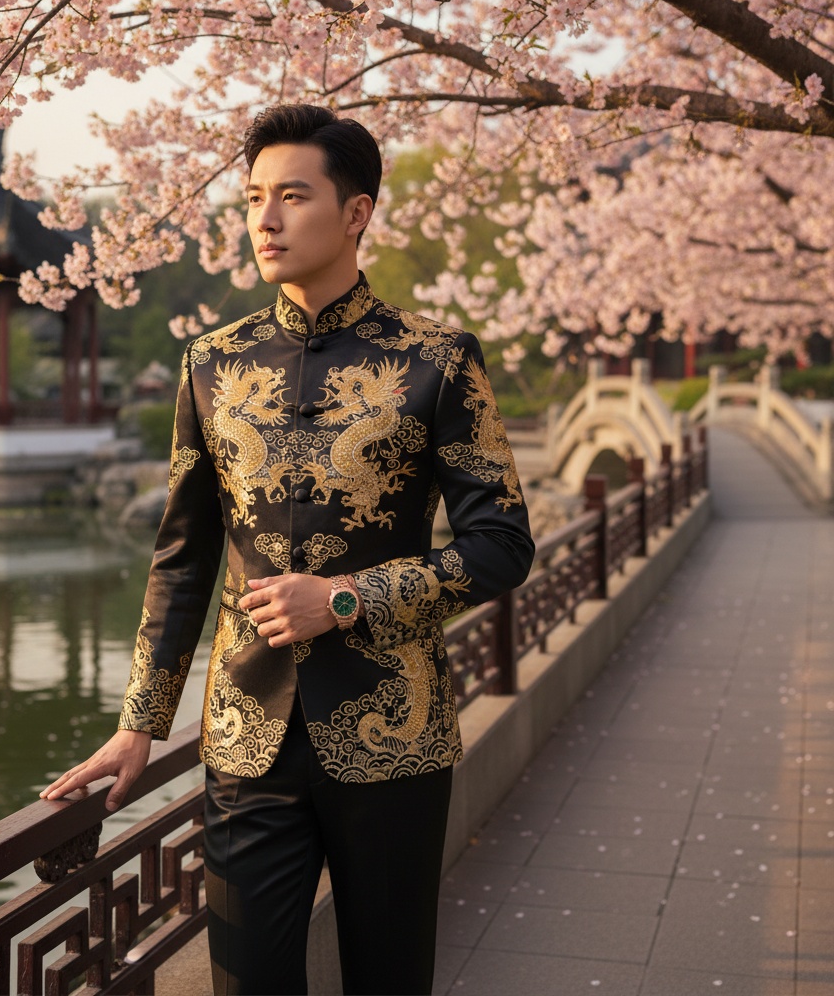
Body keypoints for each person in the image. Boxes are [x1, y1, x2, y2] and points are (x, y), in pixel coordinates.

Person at [41, 103, 535, 995]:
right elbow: (183, 558)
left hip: (396, 736)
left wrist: (345, 599)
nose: (265, 220)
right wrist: (140, 723)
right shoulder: (212, 363)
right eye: (254, 198)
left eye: (293, 197)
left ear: (356, 214)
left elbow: (501, 545)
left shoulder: (438, 360)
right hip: (244, 737)